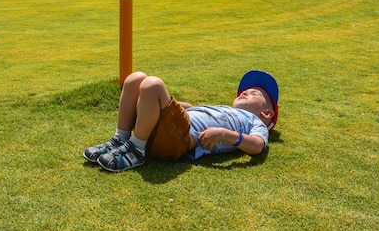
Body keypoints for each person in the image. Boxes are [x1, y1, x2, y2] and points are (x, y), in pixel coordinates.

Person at [83, 69, 279, 173]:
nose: (245, 92)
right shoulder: (225, 109)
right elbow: (193, 112)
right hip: (163, 128)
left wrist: (223, 134)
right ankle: (121, 139)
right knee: (136, 79)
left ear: (267, 113)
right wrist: (175, 104)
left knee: (153, 84)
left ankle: (135, 150)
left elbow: (258, 145)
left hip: (181, 138)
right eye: (244, 91)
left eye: (254, 93)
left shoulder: (255, 122)